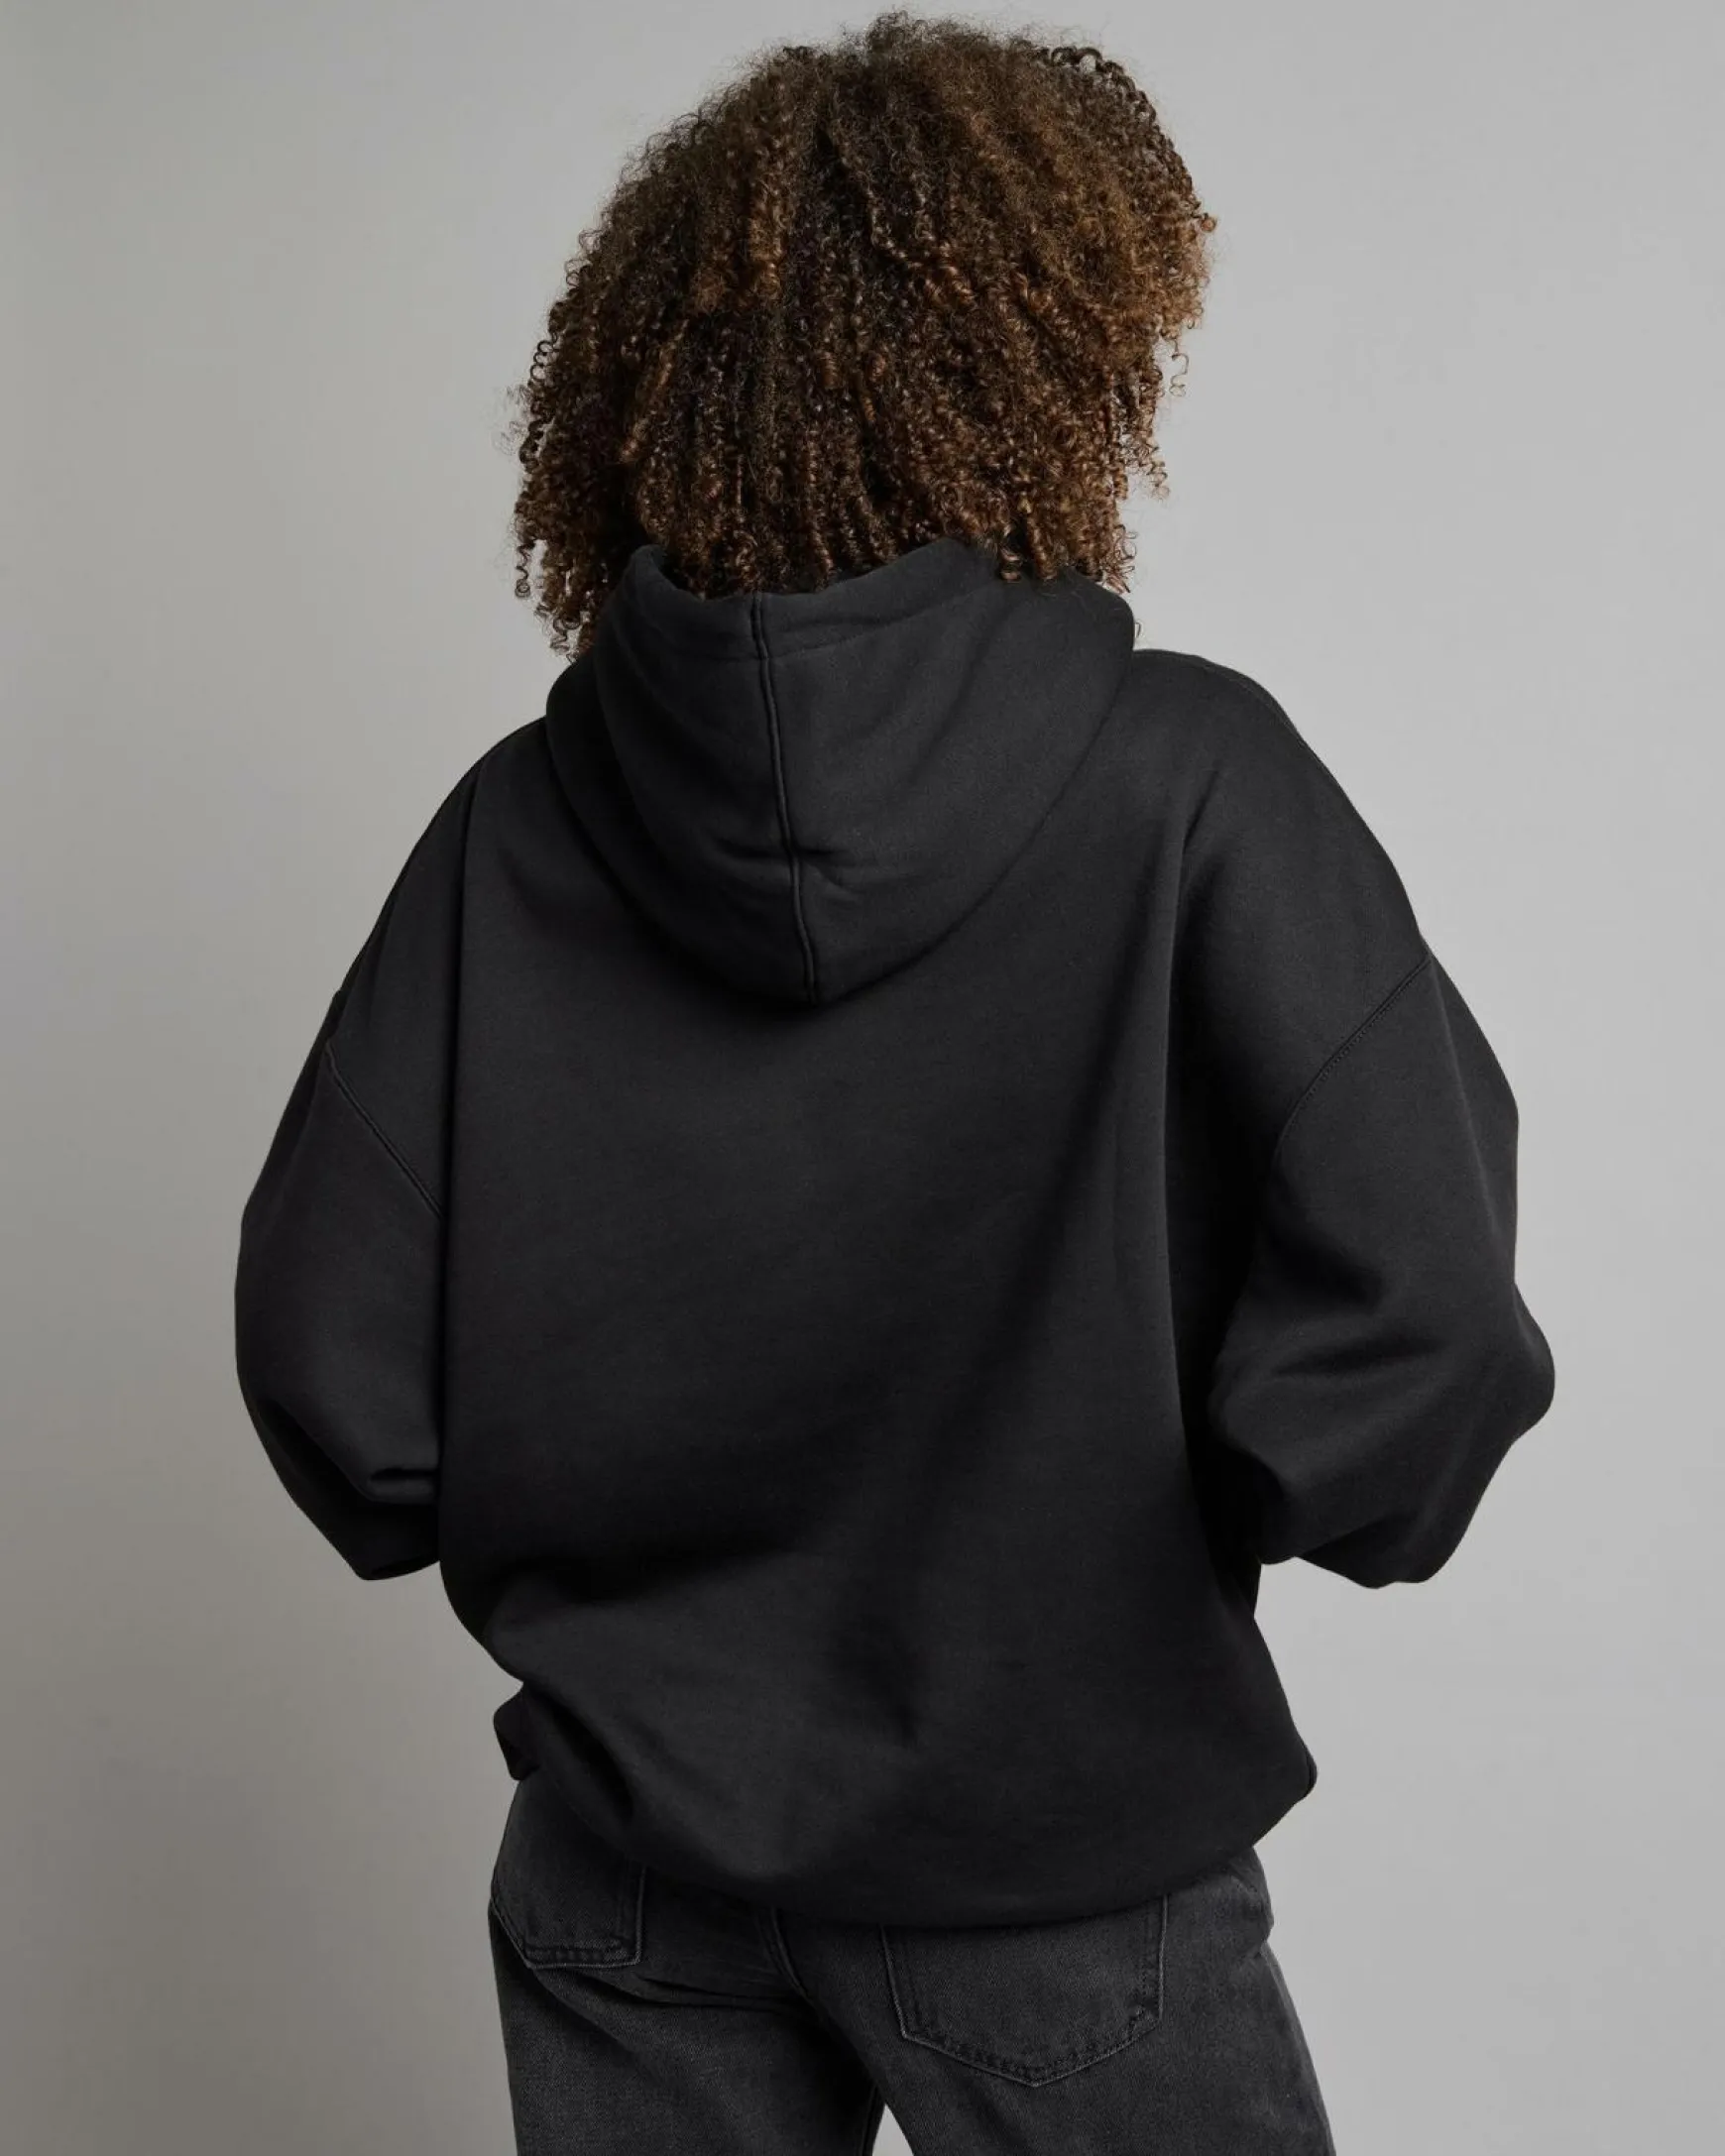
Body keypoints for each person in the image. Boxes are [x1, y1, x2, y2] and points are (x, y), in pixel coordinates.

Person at [232, 13, 1556, 2152]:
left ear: (647, 397)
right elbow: (1429, 1324)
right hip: (1064, 1870)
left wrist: (625, 1593)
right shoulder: (1191, 781)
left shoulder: (513, 832)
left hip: (627, 1867)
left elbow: (334, 1369)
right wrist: (1168, 1530)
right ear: (1051, 366)